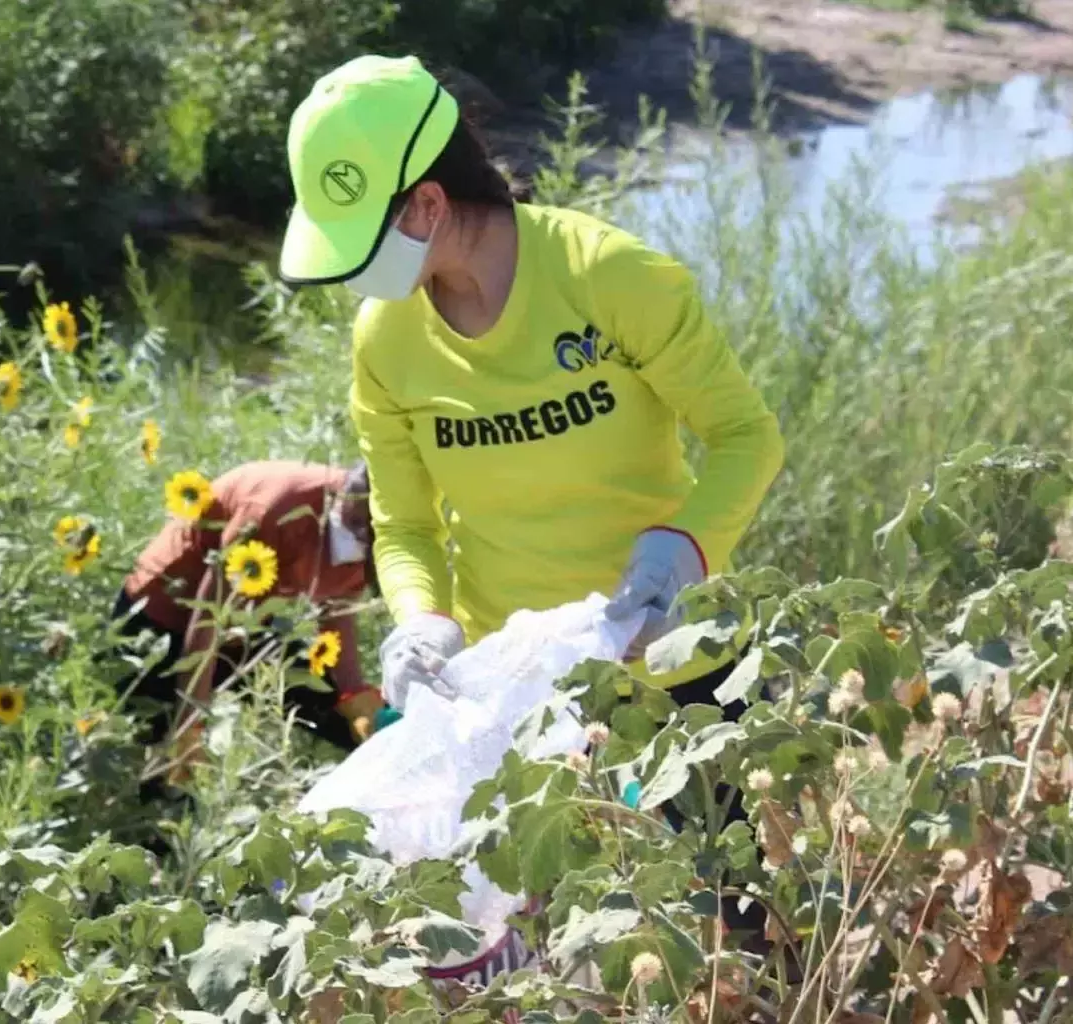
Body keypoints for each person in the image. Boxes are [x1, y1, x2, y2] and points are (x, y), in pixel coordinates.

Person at [277, 54, 784, 932]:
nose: (354, 277)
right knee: (543, 942)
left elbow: (747, 437)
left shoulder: (608, 277)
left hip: (672, 661)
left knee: (734, 923)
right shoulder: (385, 340)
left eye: (364, 241)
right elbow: (402, 525)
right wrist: (420, 618)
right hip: (510, 697)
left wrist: (684, 553)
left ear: (428, 205)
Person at [113, 460, 384, 777]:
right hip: (163, 614)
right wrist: (190, 726)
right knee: (154, 756)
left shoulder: (379, 530)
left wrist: (354, 698)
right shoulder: (276, 510)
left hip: (244, 624)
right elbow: (208, 618)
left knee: (334, 708)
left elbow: (338, 613)